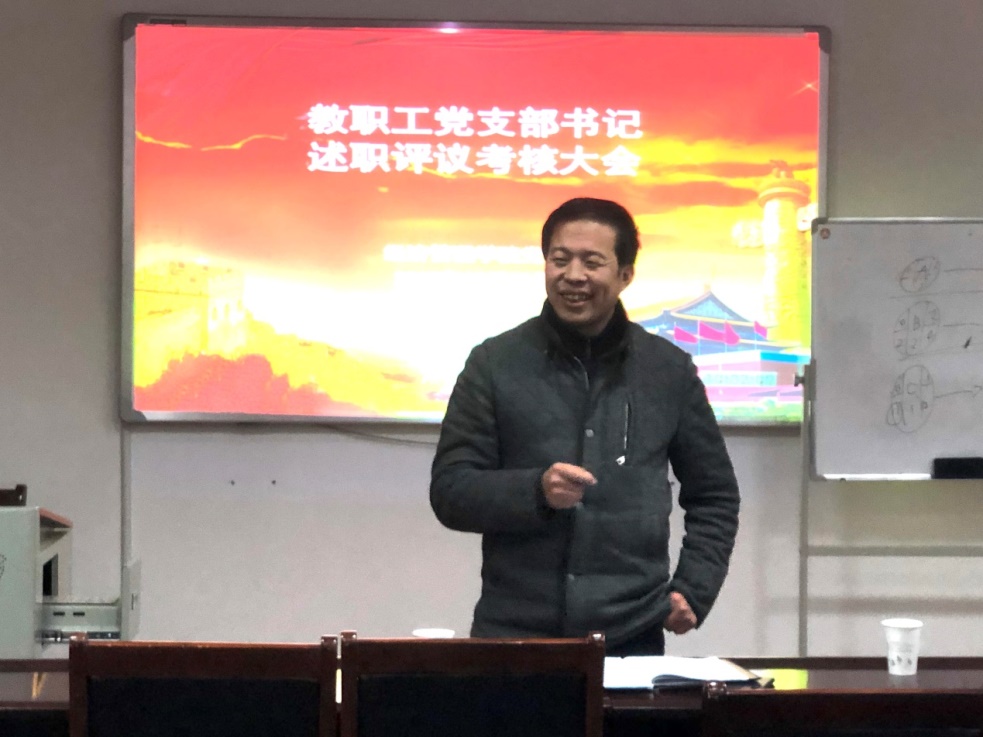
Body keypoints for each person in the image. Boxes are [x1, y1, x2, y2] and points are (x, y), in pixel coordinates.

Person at [430, 197, 740, 655]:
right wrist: (535, 491)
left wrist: (695, 586)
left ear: (625, 275)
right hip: (512, 631)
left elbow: (714, 494)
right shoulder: (494, 364)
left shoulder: (667, 371)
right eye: (560, 260)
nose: (573, 275)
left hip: (630, 633)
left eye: (592, 262)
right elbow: (451, 491)